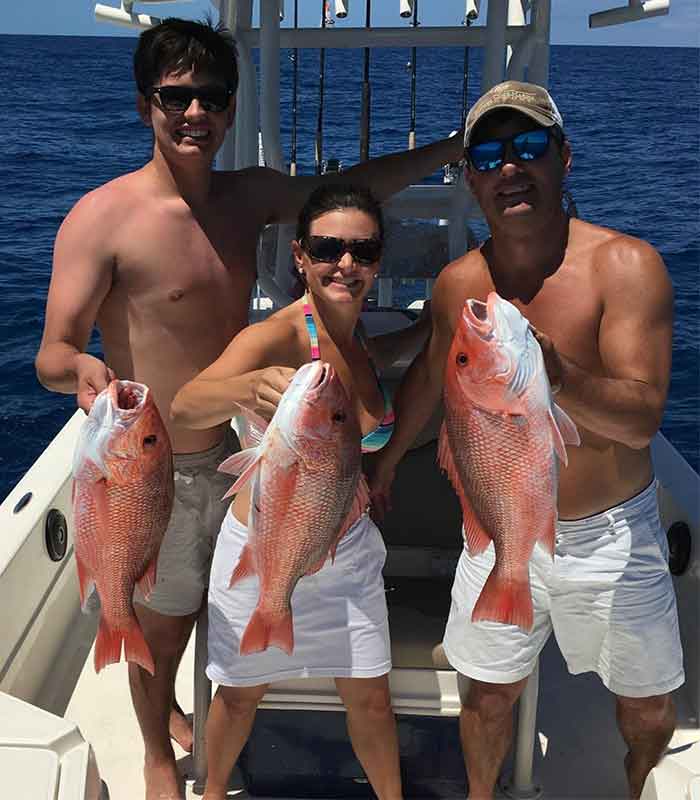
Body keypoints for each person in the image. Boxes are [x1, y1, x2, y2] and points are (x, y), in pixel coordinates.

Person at [33, 17, 462, 800]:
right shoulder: (102, 216)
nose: (194, 112)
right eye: (176, 95)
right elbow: (52, 353)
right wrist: (86, 369)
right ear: (145, 105)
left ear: (231, 109)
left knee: (208, 610)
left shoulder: (250, 195)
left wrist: (447, 152)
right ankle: (160, 757)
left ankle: (178, 715)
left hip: (245, 452)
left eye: (212, 96)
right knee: (158, 624)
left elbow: (353, 194)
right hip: (149, 457)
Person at [369, 80, 684, 800]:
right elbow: (424, 384)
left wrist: (552, 377)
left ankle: (636, 786)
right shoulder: (459, 286)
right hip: (497, 532)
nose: (511, 166)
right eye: (489, 154)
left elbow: (641, 418)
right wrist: (384, 463)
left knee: (649, 707)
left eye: (530, 146)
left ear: (563, 158)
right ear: (472, 177)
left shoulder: (626, 267)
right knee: (485, 695)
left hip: (610, 536)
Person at [170, 183, 428, 800]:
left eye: (362, 251)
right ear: (300, 257)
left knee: (370, 698)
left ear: (378, 261)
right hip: (265, 550)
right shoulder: (279, 337)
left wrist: (435, 333)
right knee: (237, 696)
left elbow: (402, 352)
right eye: (328, 247)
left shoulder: (359, 337)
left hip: (349, 554)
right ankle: (211, 795)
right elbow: (182, 405)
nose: (346, 263)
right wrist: (248, 384)